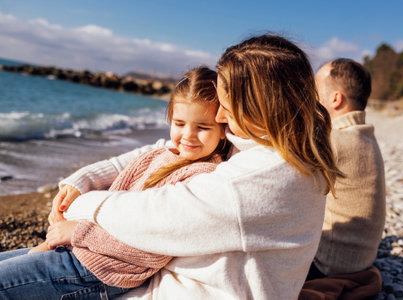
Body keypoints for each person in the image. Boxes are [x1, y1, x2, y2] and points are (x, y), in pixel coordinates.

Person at [0, 34, 341, 300]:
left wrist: (79, 211)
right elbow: (160, 151)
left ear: (260, 105)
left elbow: (156, 216)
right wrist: (82, 180)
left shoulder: (260, 178)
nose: (220, 117)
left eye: (226, 106)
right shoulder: (280, 148)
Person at [0, 66, 229, 296]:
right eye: (179, 123)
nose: (188, 135)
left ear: (223, 129)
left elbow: (154, 245)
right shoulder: (160, 155)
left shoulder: (203, 178)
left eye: (202, 127)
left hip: (100, 271)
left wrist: (79, 232)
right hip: (81, 251)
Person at [307, 58, 386, 280]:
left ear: (335, 99)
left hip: (329, 265)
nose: (310, 97)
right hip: (361, 258)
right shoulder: (364, 135)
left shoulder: (334, 141)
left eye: (314, 89)